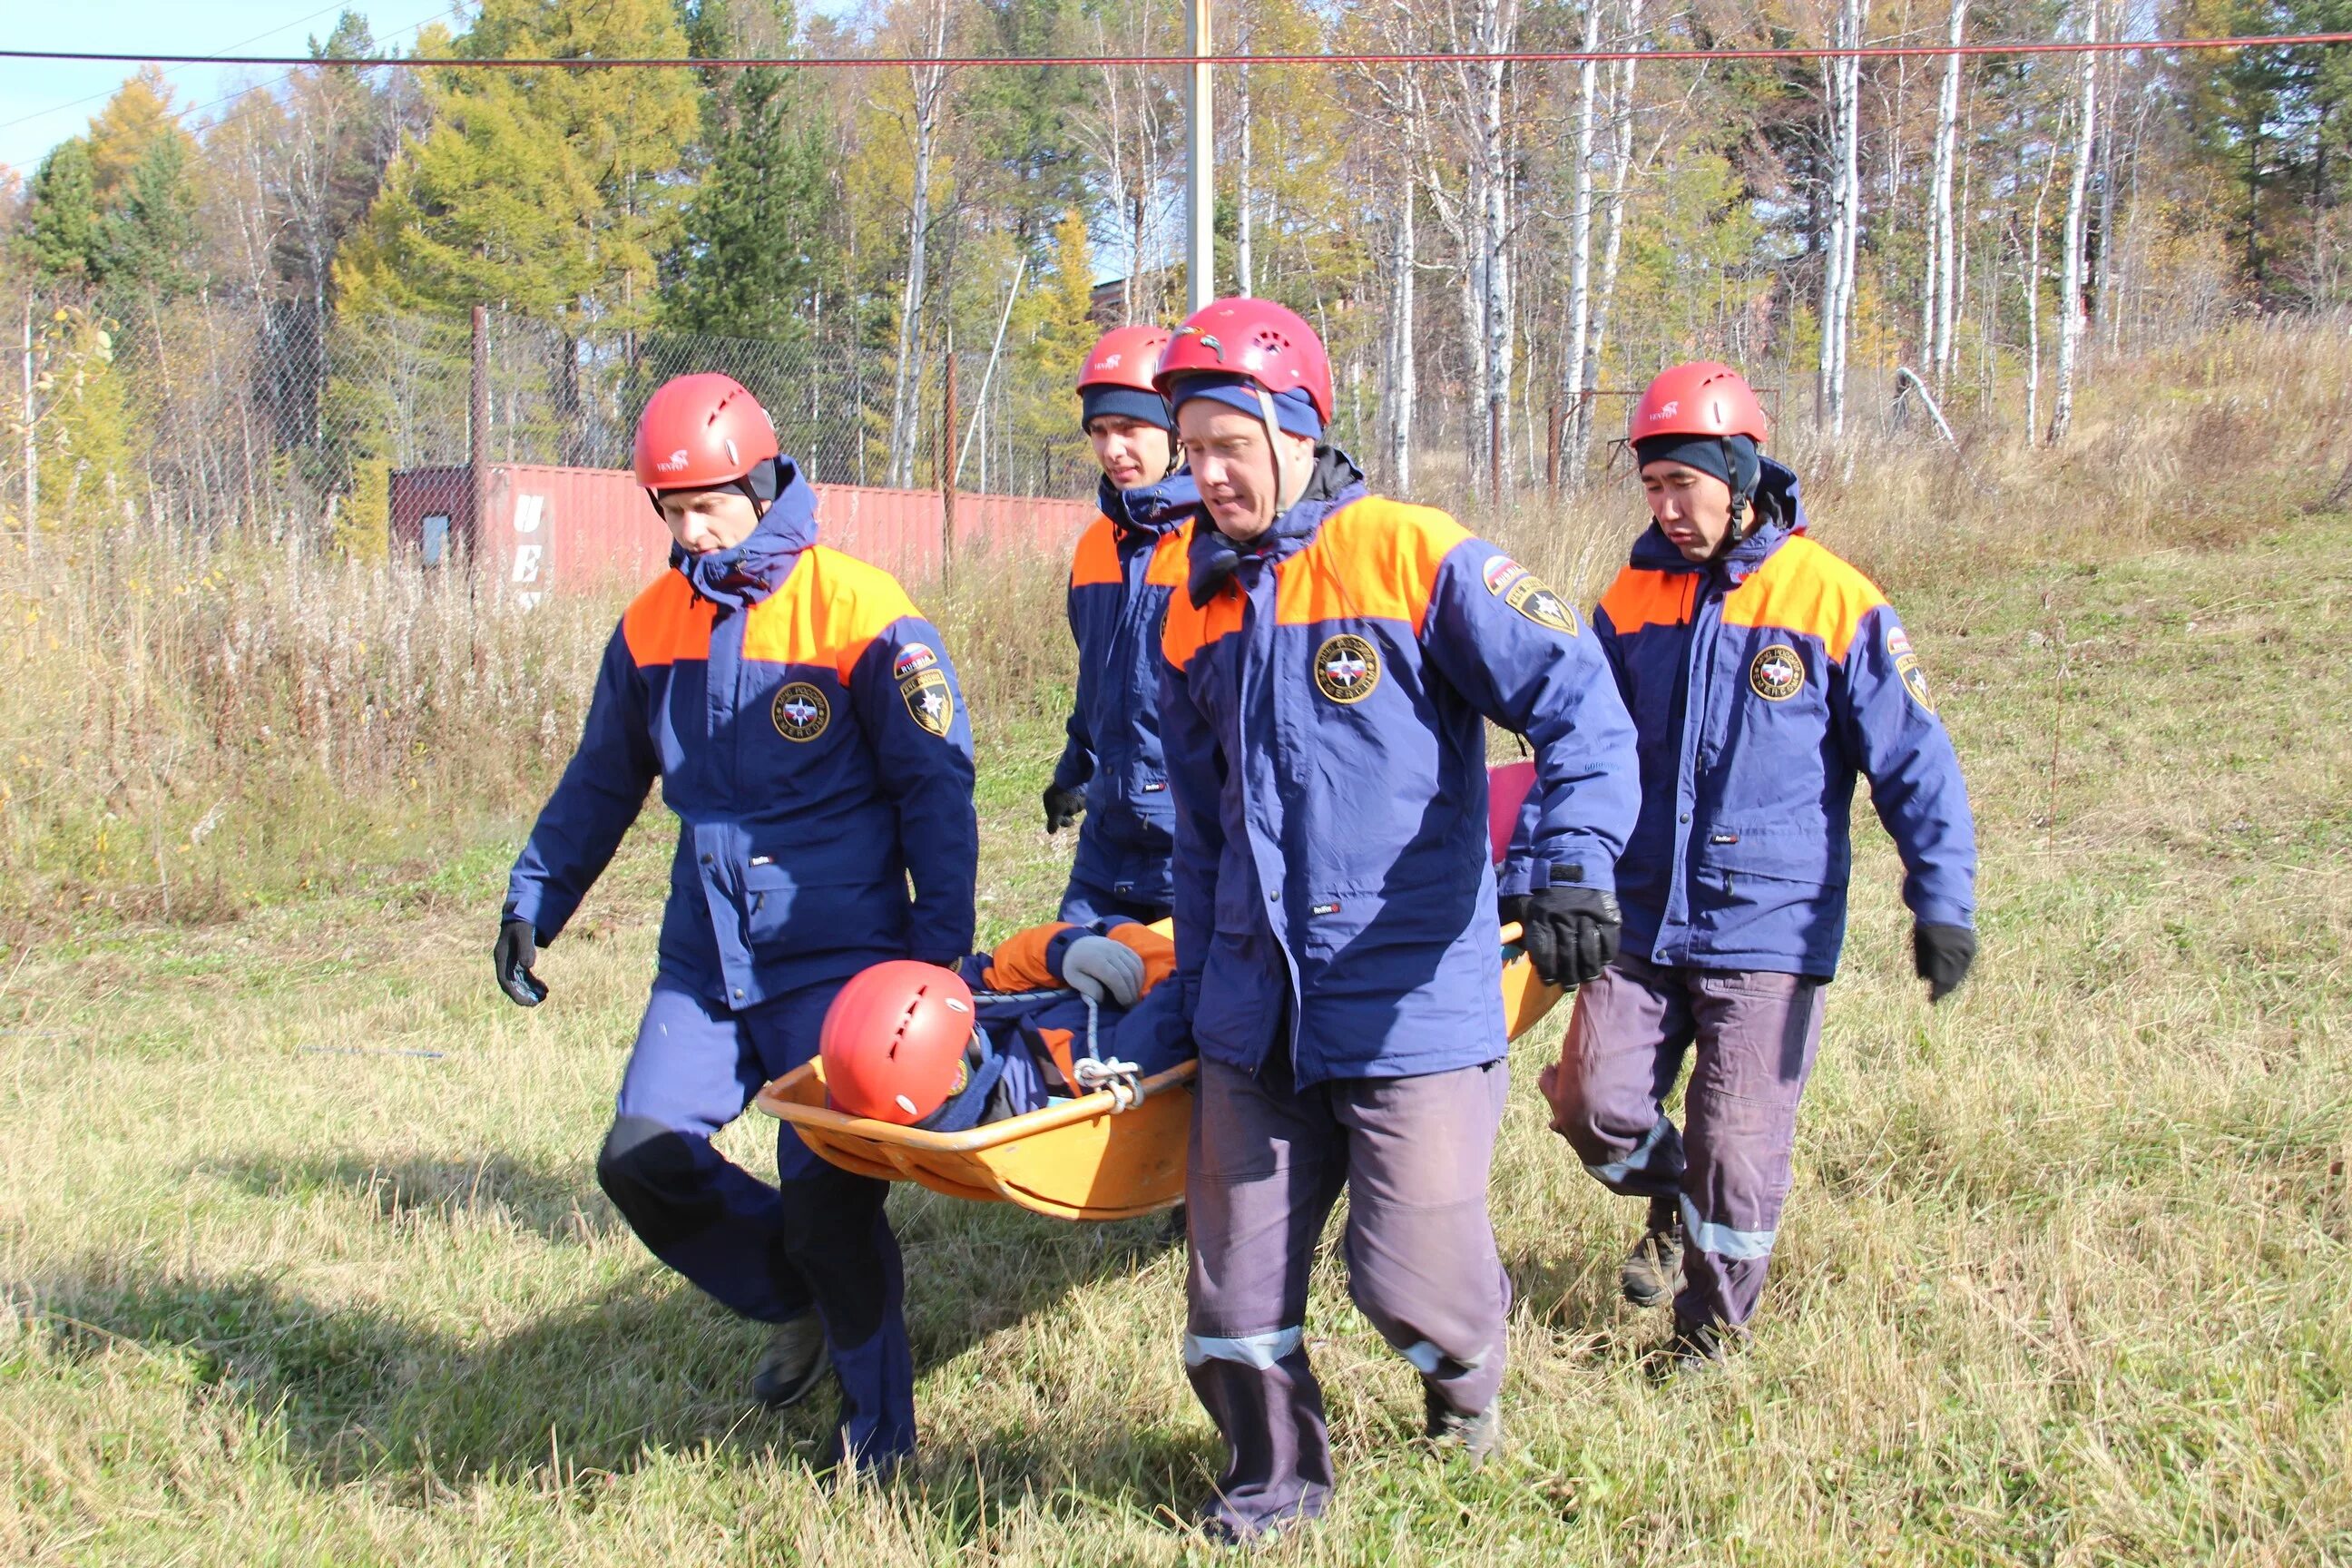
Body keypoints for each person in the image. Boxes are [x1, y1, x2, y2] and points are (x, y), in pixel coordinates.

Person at [1152, 298, 1642, 1542]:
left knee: (1409, 1280)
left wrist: (1574, 861)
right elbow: (1202, 838)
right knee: (1233, 1298)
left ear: (1297, 429)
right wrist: (1193, 1007)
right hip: (1255, 1017)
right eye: (1187, 448)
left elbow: (1580, 703)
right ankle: (1275, 1485)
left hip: (1409, 994)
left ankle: (1463, 1382)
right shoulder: (1187, 601)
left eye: (1226, 443)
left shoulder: (1415, 554)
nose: (1204, 474)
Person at [490, 372, 978, 1475]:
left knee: (831, 1213)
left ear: (762, 483)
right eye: (670, 512)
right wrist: (537, 896)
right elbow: (602, 779)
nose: (691, 532)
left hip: (840, 965)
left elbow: (936, 792)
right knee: (640, 1159)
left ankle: (878, 1441)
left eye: (710, 506)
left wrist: (939, 955)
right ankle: (790, 1296)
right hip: (705, 962)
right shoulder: (652, 623)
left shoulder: (860, 608)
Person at [1539, 361, 1979, 1373]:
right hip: (1640, 919)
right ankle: (1666, 1200)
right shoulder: (1629, 595)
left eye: (1682, 484)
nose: (1666, 507)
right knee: (1589, 1105)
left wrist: (1941, 902)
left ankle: (1708, 1342)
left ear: (1738, 472)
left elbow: (1917, 763)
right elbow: (1580, 745)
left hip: (1767, 929)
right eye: (1650, 487)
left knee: (1740, 1156)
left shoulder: (1833, 599)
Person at [1044, 326, 1201, 926]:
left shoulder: (1217, 545)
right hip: (1108, 843)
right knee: (1063, 993)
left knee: (1175, 1012)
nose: (1113, 449)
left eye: (1131, 429)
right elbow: (1100, 686)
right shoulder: (1092, 549)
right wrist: (1073, 776)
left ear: (1176, 432)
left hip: (1193, 846)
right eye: (1100, 432)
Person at [820, 919, 1191, 1131]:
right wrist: (1112, 934)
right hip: (1165, 990)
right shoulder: (1061, 1068)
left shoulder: (919, 1073)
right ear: (954, 1077)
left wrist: (1064, 949)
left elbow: (985, 975)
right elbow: (1187, 995)